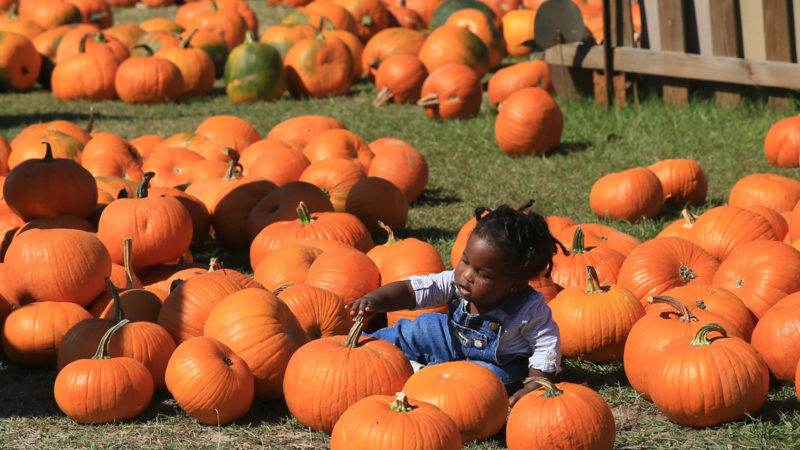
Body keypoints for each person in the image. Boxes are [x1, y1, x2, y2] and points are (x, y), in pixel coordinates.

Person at [345, 201, 564, 407]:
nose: (467, 275)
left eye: (483, 274)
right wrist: (375, 300)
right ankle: (363, 352)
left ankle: (424, 378)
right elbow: (414, 290)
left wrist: (536, 383)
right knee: (424, 326)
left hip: (497, 364)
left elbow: (546, 346)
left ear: (514, 286)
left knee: (493, 379)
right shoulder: (455, 282)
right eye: (466, 261)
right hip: (452, 342)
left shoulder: (529, 308)